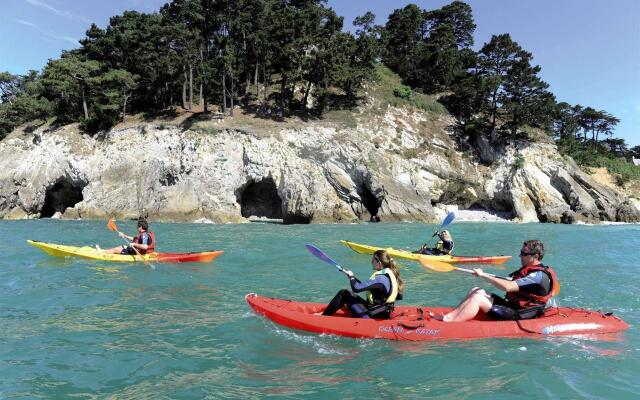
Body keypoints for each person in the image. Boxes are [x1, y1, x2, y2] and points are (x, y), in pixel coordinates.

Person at [432, 240, 559, 322]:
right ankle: (451, 316)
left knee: (478, 298)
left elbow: (508, 287)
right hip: (514, 306)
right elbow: (549, 292)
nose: (520, 255)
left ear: (535, 256)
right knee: (477, 290)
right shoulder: (534, 273)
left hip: (521, 314)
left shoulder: (537, 275)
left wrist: (483, 275)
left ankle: (448, 322)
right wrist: (483, 274)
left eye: (523, 253)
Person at [322, 250, 404, 319]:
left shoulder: (380, 279)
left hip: (373, 315)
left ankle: (323, 317)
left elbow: (356, 288)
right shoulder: (389, 274)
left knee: (344, 293)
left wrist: (351, 277)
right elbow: (399, 297)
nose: (371, 262)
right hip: (383, 312)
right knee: (348, 294)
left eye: (373, 260)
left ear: (379, 263)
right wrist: (351, 276)